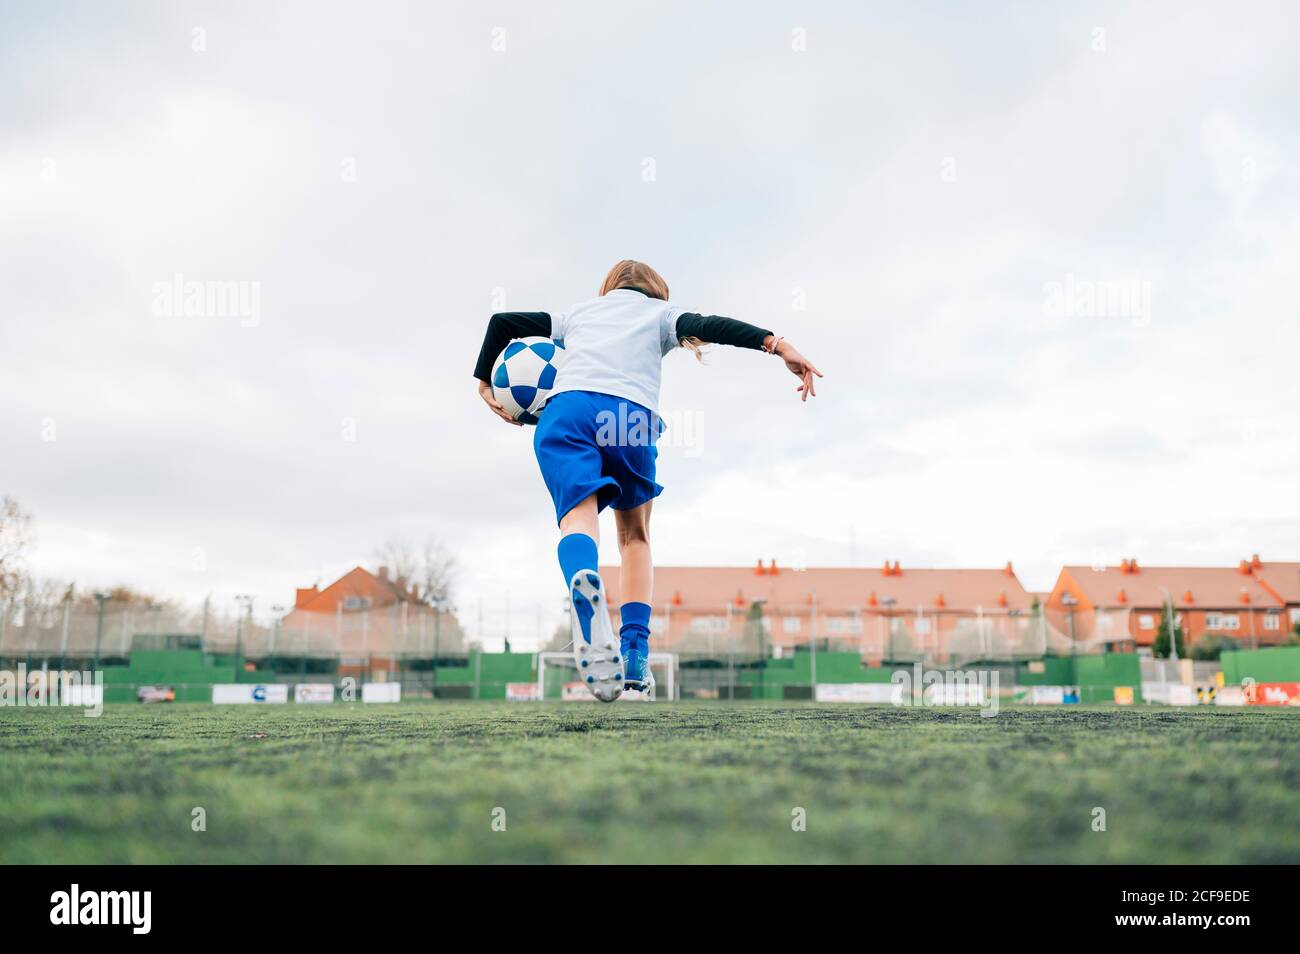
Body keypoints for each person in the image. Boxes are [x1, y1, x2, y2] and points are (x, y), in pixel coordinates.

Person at [473, 260, 822, 701]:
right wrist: (778, 344)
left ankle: (585, 581)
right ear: (656, 291)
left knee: (577, 520)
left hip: (566, 411)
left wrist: (484, 380)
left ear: (608, 288)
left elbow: (502, 322)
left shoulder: (580, 314)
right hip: (629, 418)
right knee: (634, 537)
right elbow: (714, 325)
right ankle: (634, 657)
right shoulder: (661, 315)